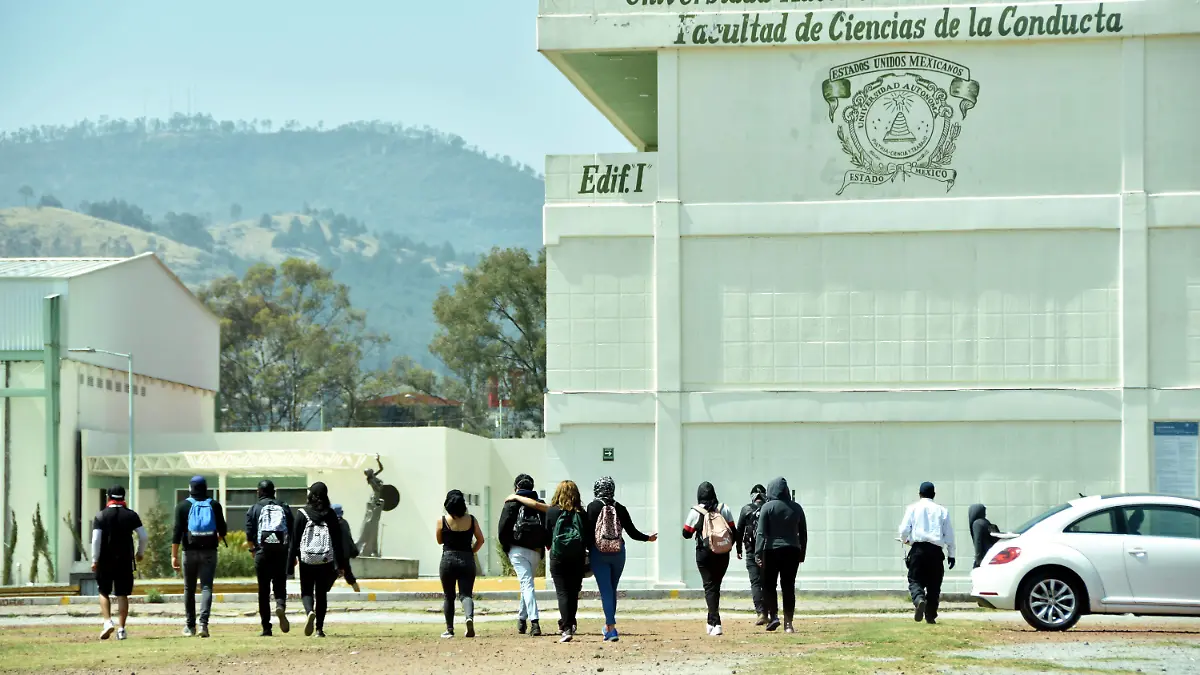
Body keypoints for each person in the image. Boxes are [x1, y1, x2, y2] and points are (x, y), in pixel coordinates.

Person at [507, 480, 588, 643]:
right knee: (573, 592)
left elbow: (546, 534)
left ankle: (566, 628)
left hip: (558, 557)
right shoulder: (582, 513)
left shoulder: (552, 511)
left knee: (562, 592)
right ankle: (570, 623)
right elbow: (586, 536)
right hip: (578, 557)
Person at [588, 476, 657, 642]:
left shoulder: (592, 507)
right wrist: (648, 538)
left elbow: (588, 532)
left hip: (599, 553)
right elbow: (632, 532)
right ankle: (609, 626)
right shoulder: (620, 508)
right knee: (612, 589)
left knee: (605, 590)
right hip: (618, 553)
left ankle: (610, 628)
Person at [289, 482, 348, 638]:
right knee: (321, 594)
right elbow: (337, 543)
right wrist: (341, 565)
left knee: (307, 590)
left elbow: (294, 541)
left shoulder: (302, 513)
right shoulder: (331, 515)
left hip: (307, 559)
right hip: (325, 560)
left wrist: (290, 563)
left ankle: (309, 612)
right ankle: (319, 629)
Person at [171, 476, 227, 638]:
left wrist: (174, 556)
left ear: (190, 488)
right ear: (206, 488)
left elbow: (176, 533)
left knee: (189, 588)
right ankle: (204, 624)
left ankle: (190, 626)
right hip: (209, 551)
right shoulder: (214, 505)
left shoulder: (182, 506)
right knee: (206, 587)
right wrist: (212, 540)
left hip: (188, 552)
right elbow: (222, 530)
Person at [91, 485, 147, 641]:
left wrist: (94, 559)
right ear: (123, 497)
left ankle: (107, 621)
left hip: (105, 560)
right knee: (122, 594)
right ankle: (122, 629)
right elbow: (143, 537)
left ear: (109, 497)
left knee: (103, 591)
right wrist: (140, 553)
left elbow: (96, 540)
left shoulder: (101, 516)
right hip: (125, 560)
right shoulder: (131, 515)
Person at [683, 482, 737, 636]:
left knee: (709, 587)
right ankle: (710, 622)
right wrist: (727, 547)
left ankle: (717, 623)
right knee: (715, 587)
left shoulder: (696, 511)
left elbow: (686, 533)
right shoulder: (724, 508)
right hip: (722, 553)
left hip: (704, 553)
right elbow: (734, 531)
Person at [754, 477, 807, 634]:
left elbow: (761, 533)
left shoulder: (767, 507)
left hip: (771, 550)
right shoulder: (797, 508)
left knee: (769, 585)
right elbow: (803, 533)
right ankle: (788, 624)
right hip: (792, 550)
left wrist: (757, 553)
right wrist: (802, 552)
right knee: (788, 586)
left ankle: (774, 616)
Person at [898, 481, 955, 625]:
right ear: (934, 495)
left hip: (918, 549)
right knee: (934, 585)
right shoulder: (942, 510)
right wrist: (951, 554)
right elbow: (949, 535)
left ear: (919, 494)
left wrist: (906, 541)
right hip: (936, 551)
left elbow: (904, 530)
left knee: (915, 579)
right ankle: (930, 616)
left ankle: (919, 599)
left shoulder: (912, 508)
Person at [497, 473, 546, 636]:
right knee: (527, 585)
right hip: (536, 551)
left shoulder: (511, 503)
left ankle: (534, 623)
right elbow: (547, 527)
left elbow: (502, 529)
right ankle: (521, 619)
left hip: (517, 550)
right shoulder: (540, 505)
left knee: (527, 586)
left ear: (516, 487)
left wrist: (507, 548)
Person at [245, 480, 293, 636]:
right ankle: (280, 605)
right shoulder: (284, 506)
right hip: (281, 552)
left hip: (262, 553)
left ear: (259, 491)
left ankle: (266, 627)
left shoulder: (254, 509)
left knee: (263, 591)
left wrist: (253, 550)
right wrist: (291, 554)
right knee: (280, 584)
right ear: (274, 491)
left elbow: (249, 533)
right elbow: (292, 531)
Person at [436, 489, 484, 639]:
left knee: (449, 596)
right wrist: (471, 551)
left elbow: (439, 541)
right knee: (466, 594)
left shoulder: (442, 520)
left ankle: (449, 629)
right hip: (467, 559)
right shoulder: (472, 519)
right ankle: (469, 618)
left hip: (448, 559)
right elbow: (481, 540)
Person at [736, 484, 768, 625]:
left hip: (751, 550)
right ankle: (771, 612)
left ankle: (760, 612)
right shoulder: (770, 508)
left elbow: (739, 531)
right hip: (767, 551)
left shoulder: (746, 509)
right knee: (767, 583)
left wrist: (738, 549)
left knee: (755, 582)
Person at [332, 504, 361, 593]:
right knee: (349, 575)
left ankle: (321, 595)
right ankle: (357, 591)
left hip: (336, 554)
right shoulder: (344, 523)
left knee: (331, 575)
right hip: (345, 554)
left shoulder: (332, 524)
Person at [968, 504, 1000, 569]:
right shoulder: (985, 522)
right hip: (989, 553)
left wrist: (978, 559)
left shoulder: (977, 524)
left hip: (983, 556)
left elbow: (978, 541)